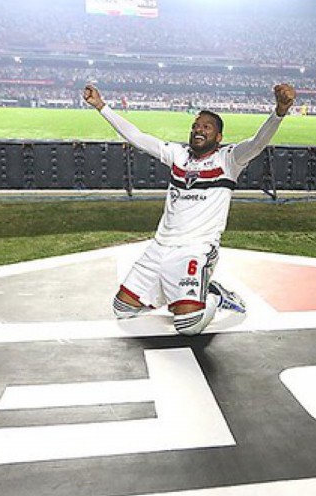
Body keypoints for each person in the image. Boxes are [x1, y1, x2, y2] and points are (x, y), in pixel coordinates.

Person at [83, 81, 297, 335]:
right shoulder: (177, 155)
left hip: (195, 249)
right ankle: (176, 293)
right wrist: (101, 107)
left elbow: (258, 143)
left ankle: (215, 295)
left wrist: (279, 112)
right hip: (159, 248)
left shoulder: (229, 159)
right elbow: (137, 137)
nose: (198, 130)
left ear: (218, 137)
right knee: (123, 308)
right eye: (195, 126)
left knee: (189, 324)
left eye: (206, 127)